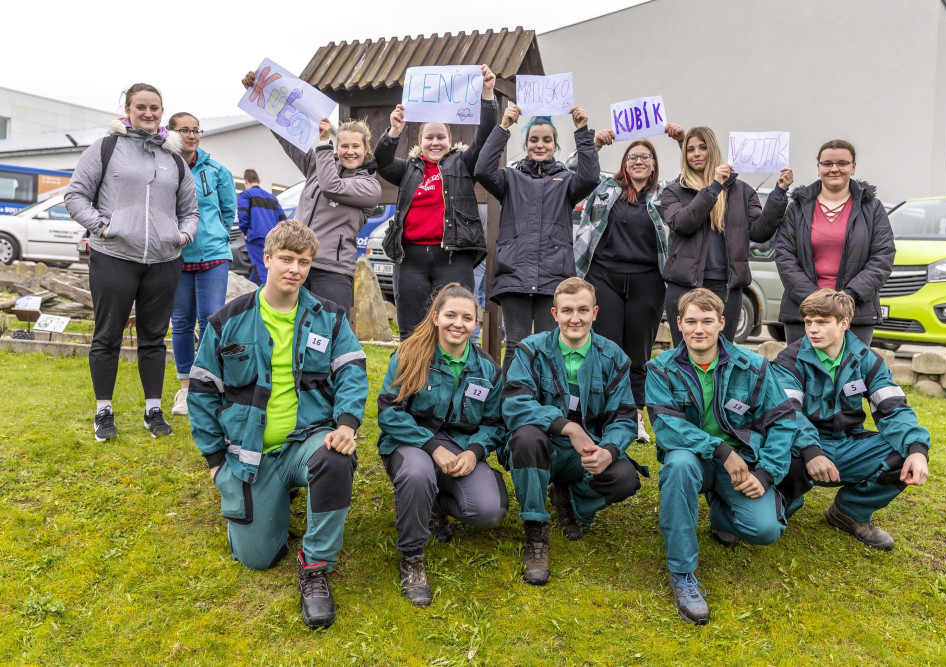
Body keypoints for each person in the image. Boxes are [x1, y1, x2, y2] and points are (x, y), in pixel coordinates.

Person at [187, 220, 369, 629]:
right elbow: (201, 393)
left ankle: (316, 568)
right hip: (250, 454)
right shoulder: (226, 321)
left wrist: (346, 425)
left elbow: (353, 372)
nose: (295, 269)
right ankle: (269, 500)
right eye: (287, 259)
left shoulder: (330, 318)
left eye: (304, 262)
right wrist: (215, 462)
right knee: (257, 559)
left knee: (335, 458)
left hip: (308, 440)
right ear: (266, 259)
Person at [645, 288, 795, 625]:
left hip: (740, 463)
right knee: (678, 465)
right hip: (693, 459)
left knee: (766, 530)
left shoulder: (753, 366)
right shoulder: (660, 369)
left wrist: (766, 473)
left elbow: (783, 421)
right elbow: (667, 427)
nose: (699, 329)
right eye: (691, 321)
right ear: (678, 324)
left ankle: (720, 512)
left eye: (707, 321)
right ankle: (682, 572)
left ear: (722, 323)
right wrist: (718, 449)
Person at [65, 83, 199, 441]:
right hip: (114, 256)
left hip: (164, 260)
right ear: (127, 110)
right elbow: (75, 195)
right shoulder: (105, 148)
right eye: (141, 107)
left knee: (154, 339)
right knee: (107, 335)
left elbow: (190, 211)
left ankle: (153, 410)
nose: (148, 113)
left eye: (154, 107)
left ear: (161, 112)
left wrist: (182, 236)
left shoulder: (174, 158)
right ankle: (103, 411)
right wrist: (104, 227)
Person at [501, 277, 645, 586]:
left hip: (585, 453)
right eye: (567, 310)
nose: (575, 318)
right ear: (554, 314)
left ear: (595, 312)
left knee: (624, 477)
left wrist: (609, 450)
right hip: (541, 448)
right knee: (526, 438)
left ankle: (570, 499)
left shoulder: (614, 357)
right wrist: (566, 427)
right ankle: (536, 532)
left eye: (582, 310)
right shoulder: (531, 350)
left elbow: (623, 417)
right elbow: (514, 403)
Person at [377, 283, 508, 606]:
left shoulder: (488, 369)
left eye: (467, 318)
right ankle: (412, 557)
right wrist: (431, 446)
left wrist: (474, 452)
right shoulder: (409, 355)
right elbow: (389, 412)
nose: (458, 324)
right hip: (411, 444)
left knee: (488, 510)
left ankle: (434, 504)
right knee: (418, 474)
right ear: (436, 317)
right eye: (450, 315)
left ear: (476, 323)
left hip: (460, 448)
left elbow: (495, 423)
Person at [773, 289, 929, 550]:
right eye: (808, 322)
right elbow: (788, 414)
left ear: (843, 323)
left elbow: (893, 408)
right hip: (800, 450)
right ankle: (783, 503)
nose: (812, 329)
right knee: (780, 453)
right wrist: (811, 451)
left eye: (822, 322)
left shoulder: (868, 360)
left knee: (905, 453)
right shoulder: (789, 359)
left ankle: (850, 511)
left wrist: (917, 448)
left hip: (848, 444)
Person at [573, 124, 685, 443]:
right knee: (605, 350)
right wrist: (593, 144)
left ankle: (634, 416)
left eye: (645, 157)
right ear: (624, 163)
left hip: (647, 281)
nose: (638, 161)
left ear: (654, 164)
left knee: (638, 352)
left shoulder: (664, 195)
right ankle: (604, 413)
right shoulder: (604, 188)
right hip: (603, 277)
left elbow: (693, 178)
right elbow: (572, 171)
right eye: (632, 156)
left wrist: (681, 141)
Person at [374, 64, 497, 340]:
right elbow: (381, 162)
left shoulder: (463, 164)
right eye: (429, 137)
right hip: (410, 260)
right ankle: (411, 370)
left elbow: (486, 136)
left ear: (450, 140)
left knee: (453, 329)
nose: (435, 142)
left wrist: (488, 94)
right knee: (412, 333)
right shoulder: (408, 169)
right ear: (420, 141)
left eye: (441, 137)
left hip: (453, 259)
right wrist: (394, 131)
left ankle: (452, 368)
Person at [242, 70, 382, 311]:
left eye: (356, 146)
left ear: (366, 149)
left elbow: (331, 186)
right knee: (288, 325)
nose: (349, 151)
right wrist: (261, 94)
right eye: (344, 146)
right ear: (337, 148)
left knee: (328, 330)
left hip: (332, 272)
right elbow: (287, 135)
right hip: (296, 264)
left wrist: (324, 143)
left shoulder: (370, 186)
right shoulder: (320, 164)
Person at [475, 107, 601, 373]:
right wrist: (503, 126)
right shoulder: (509, 178)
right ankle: (512, 397)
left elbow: (590, 177)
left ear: (555, 145)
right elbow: (483, 170)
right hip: (514, 274)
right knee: (515, 345)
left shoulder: (567, 181)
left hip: (553, 277)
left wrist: (582, 131)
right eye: (533, 140)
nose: (540, 145)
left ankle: (547, 397)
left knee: (549, 346)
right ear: (526, 144)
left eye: (547, 140)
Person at [659, 127, 793, 344]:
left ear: (713, 150)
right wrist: (714, 188)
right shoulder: (674, 191)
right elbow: (683, 224)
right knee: (684, 354)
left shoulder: (743, 191)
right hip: (684, 287)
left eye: (703, 147)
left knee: (723, 353)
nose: (696, 154)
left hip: (727, 289)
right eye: (690, 149)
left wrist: (779, 193)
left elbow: (759, 232)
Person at [774, 140, 895, 345]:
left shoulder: (872, 208)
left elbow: (883, 257)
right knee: (801, 367)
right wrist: (815, 300)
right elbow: (784, 255)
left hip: (855, 313)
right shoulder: (797, 208)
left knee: (851, 368)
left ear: (853, 167)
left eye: (842, 163)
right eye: (827, 163)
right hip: (803, 312)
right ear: (818, 167)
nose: (834, 169)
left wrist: (847, 298)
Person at [166, 112, 237, 417]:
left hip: (214, 255)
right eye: (184, 130)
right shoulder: (163, 167)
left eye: (196, 130)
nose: (191, 135)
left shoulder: (218, 170)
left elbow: (228, 211)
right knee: (181, 322)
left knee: (210, 320)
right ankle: (185, 388)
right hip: (175, 256)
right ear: (170, 133)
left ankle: (207, 384)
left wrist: (214, 234)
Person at [237, 168, 286, 284]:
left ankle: (267, 292)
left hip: (255, 236)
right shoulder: (272, 198)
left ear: (246, 181)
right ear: (259, 180)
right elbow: (283, 220)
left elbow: (242, 215)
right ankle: (252, 290)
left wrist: (245, 231)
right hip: (273, 238)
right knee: (260, 266)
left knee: (262, 268)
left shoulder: (246, 195)